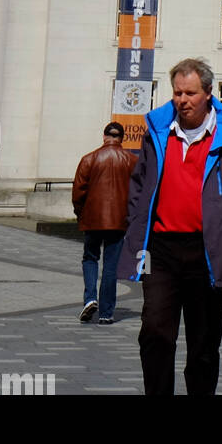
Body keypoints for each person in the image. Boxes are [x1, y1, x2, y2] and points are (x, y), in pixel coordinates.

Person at [118, 58, 222, 395]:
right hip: (160, 250)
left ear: (208, 93)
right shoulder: (157, 131)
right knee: (154, 332)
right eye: (177, 93)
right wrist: (135, 227)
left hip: (208, 251)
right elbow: (139, 186)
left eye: (190, 93)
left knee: (204, 342)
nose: (182, 100)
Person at [72, 122, 138, 324]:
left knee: (90, 258)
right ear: (122, 138)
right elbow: (139, 192)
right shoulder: (131, 160)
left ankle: (90, 298)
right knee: (111, 266)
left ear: (104, 136)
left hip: (93, 219)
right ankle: (106, 313)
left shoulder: (89, 159)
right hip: (118, 221)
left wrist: (80, 214)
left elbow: (78, 192)